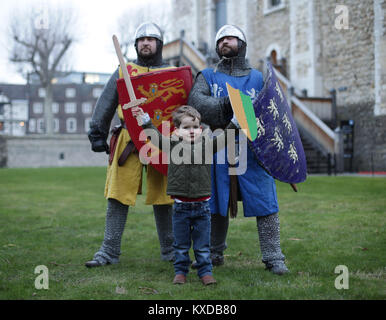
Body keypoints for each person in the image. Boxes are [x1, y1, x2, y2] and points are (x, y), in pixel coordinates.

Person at [187, 24, 289, 275]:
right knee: (215, 202)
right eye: (221, 39)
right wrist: (234, 103)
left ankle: (273, 256)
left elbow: (272, 110)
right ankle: (213, 252)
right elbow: (197, 104)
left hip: (254, 147)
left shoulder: (257, 77)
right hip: (218, 144)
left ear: (241, 44)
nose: (225, 42)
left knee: (265, 201)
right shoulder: (207, 76)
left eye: (230, 38)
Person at [85, 22, 175, 268]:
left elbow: (183, 107)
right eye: (141, 39)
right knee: (118, 195)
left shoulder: (173, 73)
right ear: (136, 45)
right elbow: (106, 102)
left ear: (159, 44)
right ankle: (109, 251)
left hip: (162, 139)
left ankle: (171, 250)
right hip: (128, 138)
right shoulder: (124, 71)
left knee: (166, 197)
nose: (146, 43)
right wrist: (97, 133)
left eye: (151, 39)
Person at [132, 104, 239, 285]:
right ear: (177, 130)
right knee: (181, 245)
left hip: (203, 207)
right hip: (181, 207)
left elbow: (224, 138)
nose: (192, 131)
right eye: (186, 127)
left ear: (201, 128)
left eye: (195, 127)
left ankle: (205, 272)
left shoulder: (207, 146)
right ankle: (180, 272)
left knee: (203, 245)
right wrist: (145, 120)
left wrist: (235, 122)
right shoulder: (171, 145)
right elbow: (155, 137)